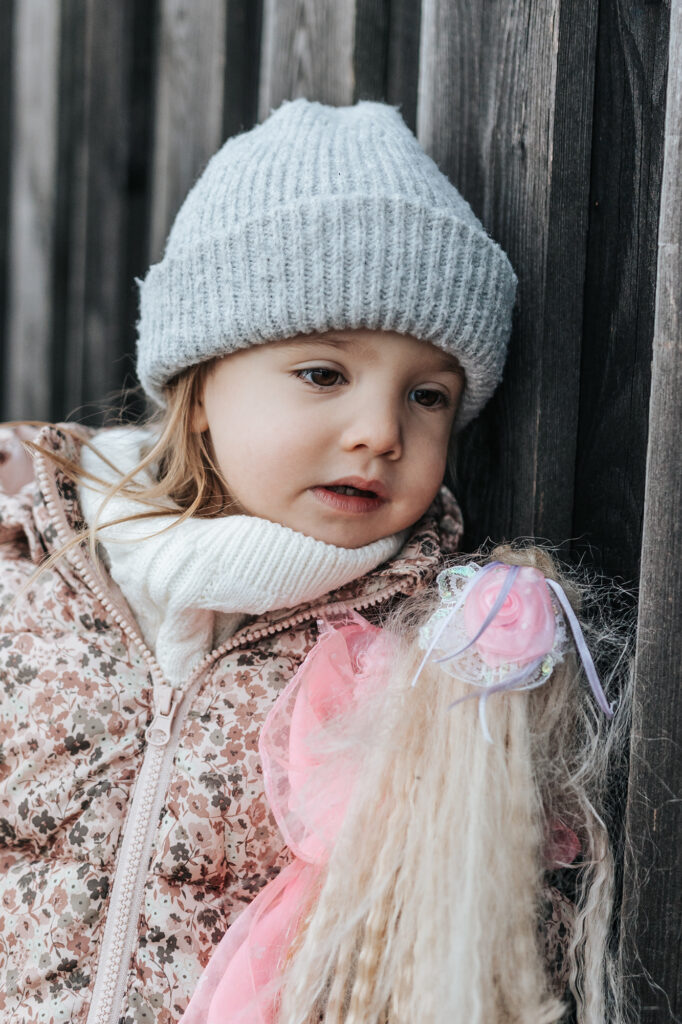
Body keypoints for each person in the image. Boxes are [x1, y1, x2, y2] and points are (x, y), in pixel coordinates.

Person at [0, 99, 629, 1024]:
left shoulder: (425, 667)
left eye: (427, 396)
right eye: (324, 375)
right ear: (201, 388)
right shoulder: (39, 570)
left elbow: (475, 942)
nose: (380, 432)